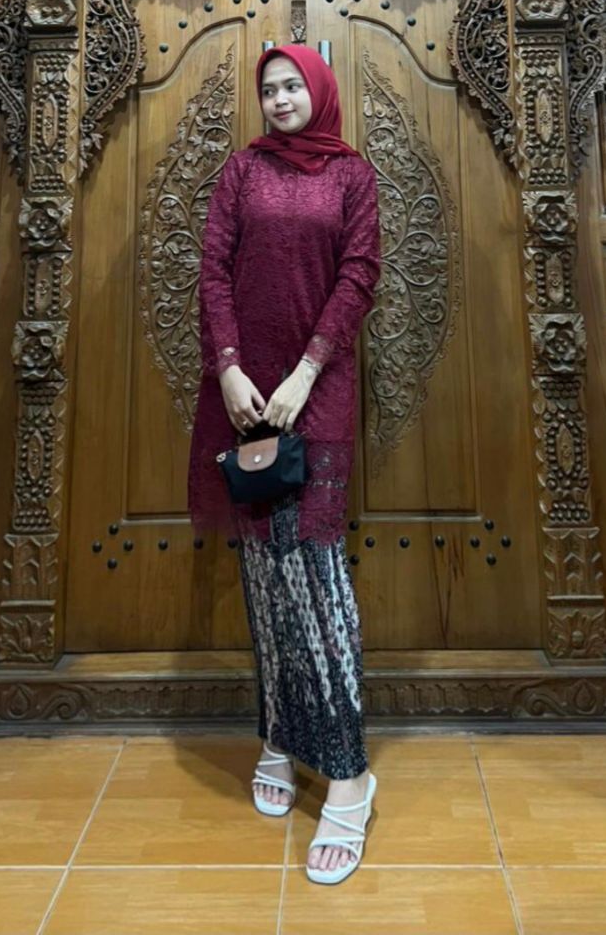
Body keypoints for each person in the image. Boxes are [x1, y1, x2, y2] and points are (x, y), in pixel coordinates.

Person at [187, 43, 381, 885]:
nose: (279, 98)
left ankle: (349, 774)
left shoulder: (352, 176)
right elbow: (212, 272)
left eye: (292, 85)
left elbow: (360, 276)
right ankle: (277, 733)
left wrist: (305, 372)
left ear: (319, 90)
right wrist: (230, 369)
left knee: (316, 579)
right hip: (239, 395)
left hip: (317, 390)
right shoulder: (241, 171)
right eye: (268, 88)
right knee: (264, 575)